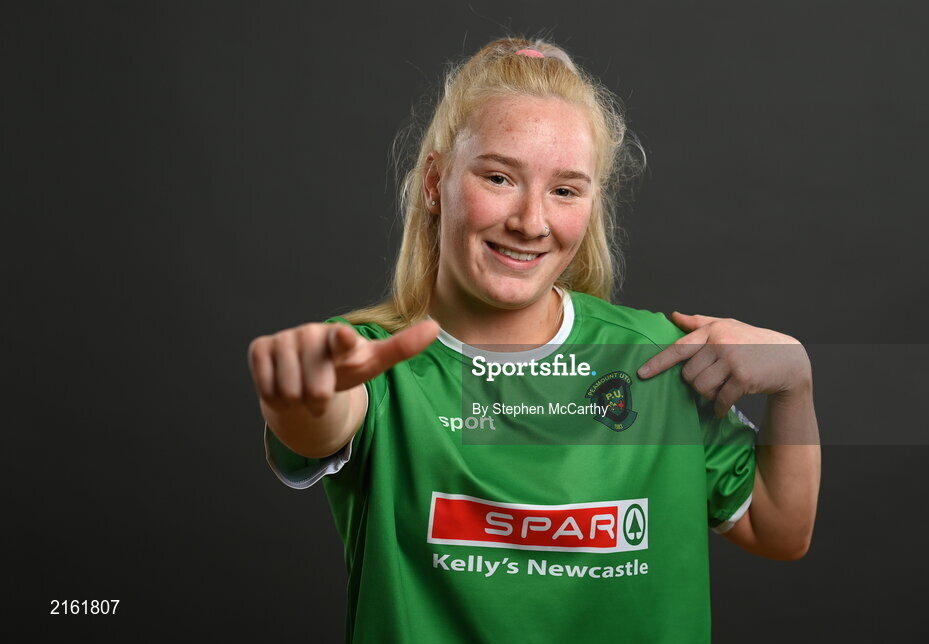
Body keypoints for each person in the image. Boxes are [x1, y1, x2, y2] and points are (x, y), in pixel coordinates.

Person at [247, 37, 820, 643]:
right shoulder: (369, 363)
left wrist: (796, 381)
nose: (530, 221)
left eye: (565, 190)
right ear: (436, 182)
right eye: (499, 177)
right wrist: (303, 396)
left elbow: (780, 530)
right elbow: (319, 420)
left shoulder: (655, 359)